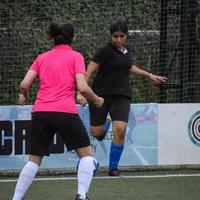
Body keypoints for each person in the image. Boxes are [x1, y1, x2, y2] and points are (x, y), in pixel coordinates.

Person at [12, 22, 104, 200]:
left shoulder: (42, 57)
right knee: (87, 157)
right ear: (73, 39)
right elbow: (83, 88)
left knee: (34, 160)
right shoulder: (75, 56)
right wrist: (97, 99)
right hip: (65, 112)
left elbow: (24, 84)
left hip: (41, 112)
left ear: (53, 39)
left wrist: (24, 95)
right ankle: (81, 195)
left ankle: (16, 198)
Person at [77, 20, 167, 176]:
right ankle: (108, 121)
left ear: (126, 36)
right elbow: (88, 71)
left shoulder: (127, 51)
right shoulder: (104, 51)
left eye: (122, 36)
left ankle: (113, 168)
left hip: (122, 95)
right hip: (100, 96)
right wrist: (81, 92)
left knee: (120, 130)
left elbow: (128, 66)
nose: (118, 39)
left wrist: (148, 75)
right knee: (97, 133)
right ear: (110, 36)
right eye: (115, 36)